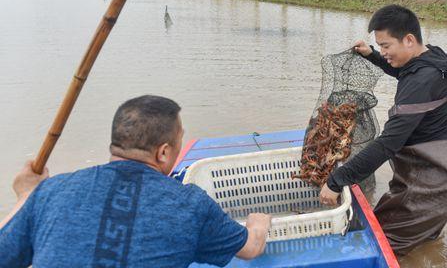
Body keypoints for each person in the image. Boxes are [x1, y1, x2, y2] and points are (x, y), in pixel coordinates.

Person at [0, 95, 271, 267]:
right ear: (164, 152)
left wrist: (26, 196)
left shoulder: (52, 191)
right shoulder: (190, 204)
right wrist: (258, 223)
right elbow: (250, 248)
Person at [319, 4, 447, 257]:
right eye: (380, 46)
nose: (383, 52)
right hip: (444, 172)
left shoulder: (421, 82)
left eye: (385, 46)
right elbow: (404, 71)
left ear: (408, 40)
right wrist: (371, 54)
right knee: (420, 245)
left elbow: (387, 145)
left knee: (380, 244)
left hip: (433, 182)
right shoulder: (430, 57)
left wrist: (337, 180)